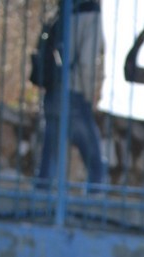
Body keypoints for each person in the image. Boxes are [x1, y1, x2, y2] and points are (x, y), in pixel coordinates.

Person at [37, 0, 106, 187]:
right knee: (96, 167)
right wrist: (88, 95)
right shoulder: (91, 14)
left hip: (54, 90)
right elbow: (86, 63)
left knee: (48, 166)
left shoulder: (64, 10)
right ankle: (94, 203)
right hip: (75, 93)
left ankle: (40, 200)